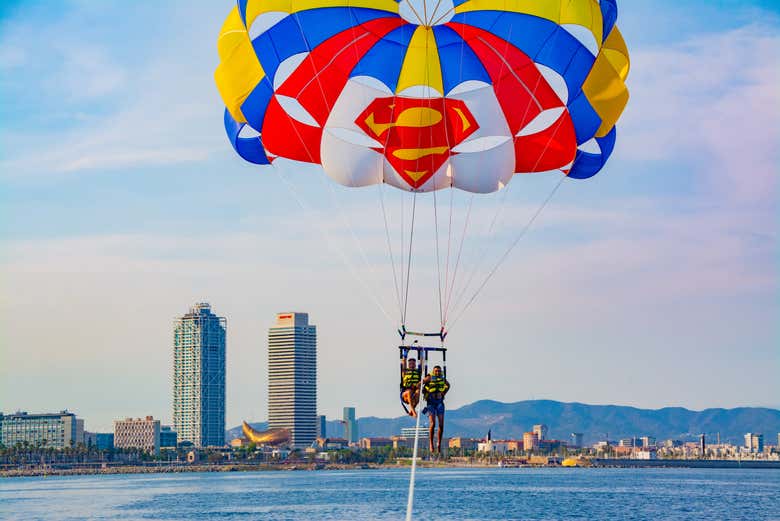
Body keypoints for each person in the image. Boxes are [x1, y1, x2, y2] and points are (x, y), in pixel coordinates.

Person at [422, 365, 450, 454]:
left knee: (441, 425)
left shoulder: (442, 379)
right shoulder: (430, 377)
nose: (437, 372)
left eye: (439, 371)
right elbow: (422, 382)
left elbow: (448, 385)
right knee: (433, 423)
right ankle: (431, 443)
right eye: (436, 371)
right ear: (433, 371)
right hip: (431, 403)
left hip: (440, 403)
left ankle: (439, 443)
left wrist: (443, 393)